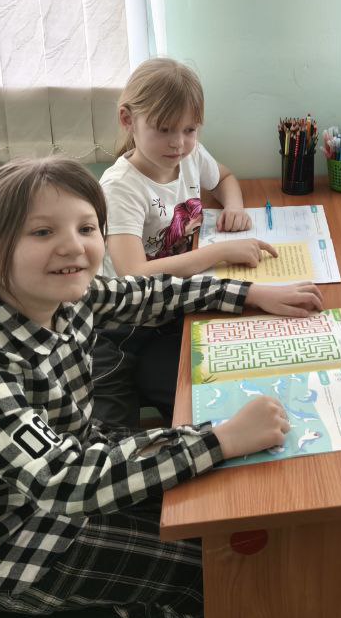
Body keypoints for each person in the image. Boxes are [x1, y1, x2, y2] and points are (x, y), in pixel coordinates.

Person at [0, 157, 322, 618]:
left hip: (48, 481)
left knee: (210, 510)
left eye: (86, 228)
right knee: (209, 565)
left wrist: (246, 294)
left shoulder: (58, 293)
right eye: (43, 232)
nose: (73, 246)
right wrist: (220, 439)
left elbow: (145, 294)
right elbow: (64, 482)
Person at [97, 56, 272, 426]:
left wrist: (234, 207)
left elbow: (225, 178)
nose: (178, 143)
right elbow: (134, 273)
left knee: (233, 365)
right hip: (123, 326)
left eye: (189, 129)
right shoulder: (120, 188)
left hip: (174, 305)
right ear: (128, 119)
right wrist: (219, 252)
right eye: (164, 129)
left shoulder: (189, 157)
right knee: (183, 406)